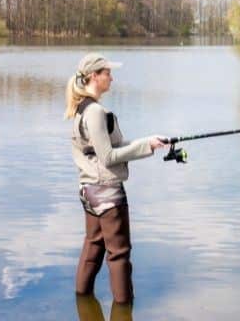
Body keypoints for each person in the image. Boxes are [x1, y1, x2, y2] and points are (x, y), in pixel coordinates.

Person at [65, 53, 167, 304]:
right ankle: (124, 308)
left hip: (89, 191)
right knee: (119, 255)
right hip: (107, 193)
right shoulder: (96, 112)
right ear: (93, 77)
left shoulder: (82, 108)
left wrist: (149, 141)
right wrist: (146, 148)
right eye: (107, 73)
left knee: (93, 246)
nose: (112, 77)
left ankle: (82, 301)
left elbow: (113, 146)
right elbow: (109, 156)